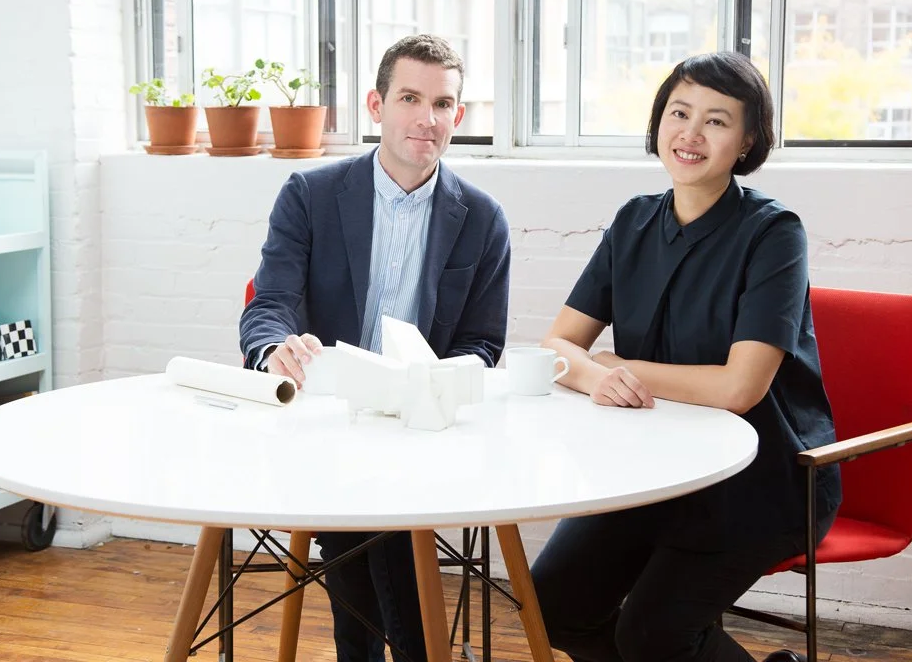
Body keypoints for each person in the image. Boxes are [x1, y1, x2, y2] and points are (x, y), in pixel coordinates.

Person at [529, 51, 841, 662]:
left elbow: (740, 389)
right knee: (551, 609)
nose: (691, 134)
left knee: (652, 634)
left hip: (759, 481)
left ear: (748, 139)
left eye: (717, 120)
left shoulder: (774, 233)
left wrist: (628, 370)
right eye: (679, 112)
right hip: (650, 473)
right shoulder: (633, 221)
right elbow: (557, 345)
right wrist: (598, 377)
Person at [239, 34, 511, 662]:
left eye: (443, 104)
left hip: (419, 429)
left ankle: (373, 651)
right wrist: (276, 347)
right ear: (376, 105)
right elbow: (270, 302)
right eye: (410, 98)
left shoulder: (483, 218)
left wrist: (437, 385)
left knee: (373, 512)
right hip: (325, 420)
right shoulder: (310, 195)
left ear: (458, 118)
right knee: (372, 512)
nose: (427, 118)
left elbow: (483, 343)